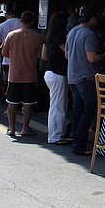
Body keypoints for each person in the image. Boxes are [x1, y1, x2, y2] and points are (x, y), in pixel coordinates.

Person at [66, 7, 105, 156]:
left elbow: (66, 54)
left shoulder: (72, 32)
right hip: (85, 76)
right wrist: (104, 55)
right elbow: (91, 58)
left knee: (78, 108)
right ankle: (80, 142)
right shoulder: (89, 34)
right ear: (92, 19)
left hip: (72, 75)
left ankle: (76, 139)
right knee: (90, 107)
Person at [1, 11, 43, 138]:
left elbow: (4, 52)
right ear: (32, 22)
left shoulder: (12, 35)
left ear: (21, 21)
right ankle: (25, 128)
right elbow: (41, 55)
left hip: (14, 74)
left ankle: (12, 128)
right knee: (28, 103)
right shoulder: (37, 37)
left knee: (12, 102)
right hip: (30, 74)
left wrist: (14, 56)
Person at [42, 12, 70, 145]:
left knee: (56, 104)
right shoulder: (59, 37)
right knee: (58, 106)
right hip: (58, 73)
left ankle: (58, 134)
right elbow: (67, 54)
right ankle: (55, 136)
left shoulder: (48, 37)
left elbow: (43, 55)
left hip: (49, 72)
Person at [0, 9, 23, 94]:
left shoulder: (2, 25)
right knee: (19, 79)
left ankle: (8, 94)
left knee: (8, 78)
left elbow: (0, 42)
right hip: (21, 56)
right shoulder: (21, 23)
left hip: (7, 57)